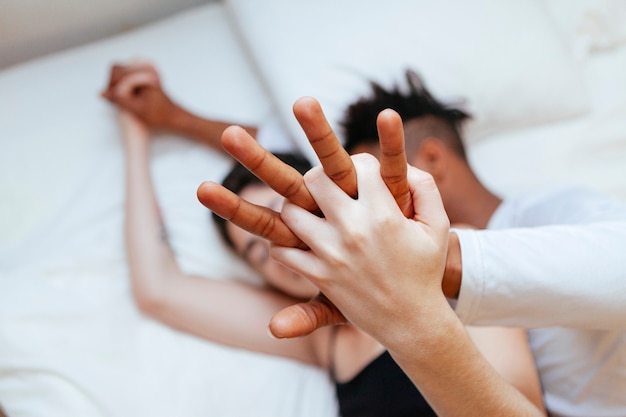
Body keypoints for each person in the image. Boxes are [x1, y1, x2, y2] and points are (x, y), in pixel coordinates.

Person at [106, 63, 546, 416]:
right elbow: (159, 290)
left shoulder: (448, 255)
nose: (286, 242)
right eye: (262, 249)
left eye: (289, 217)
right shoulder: (323, 336)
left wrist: (413, 316)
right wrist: (134, 132)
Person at [197, 73, 626, 417]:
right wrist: (173, 118)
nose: (363, 210)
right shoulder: (345, 317)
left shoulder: (553, 214)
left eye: (374, 185)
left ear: (431, 161)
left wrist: (427, 274)